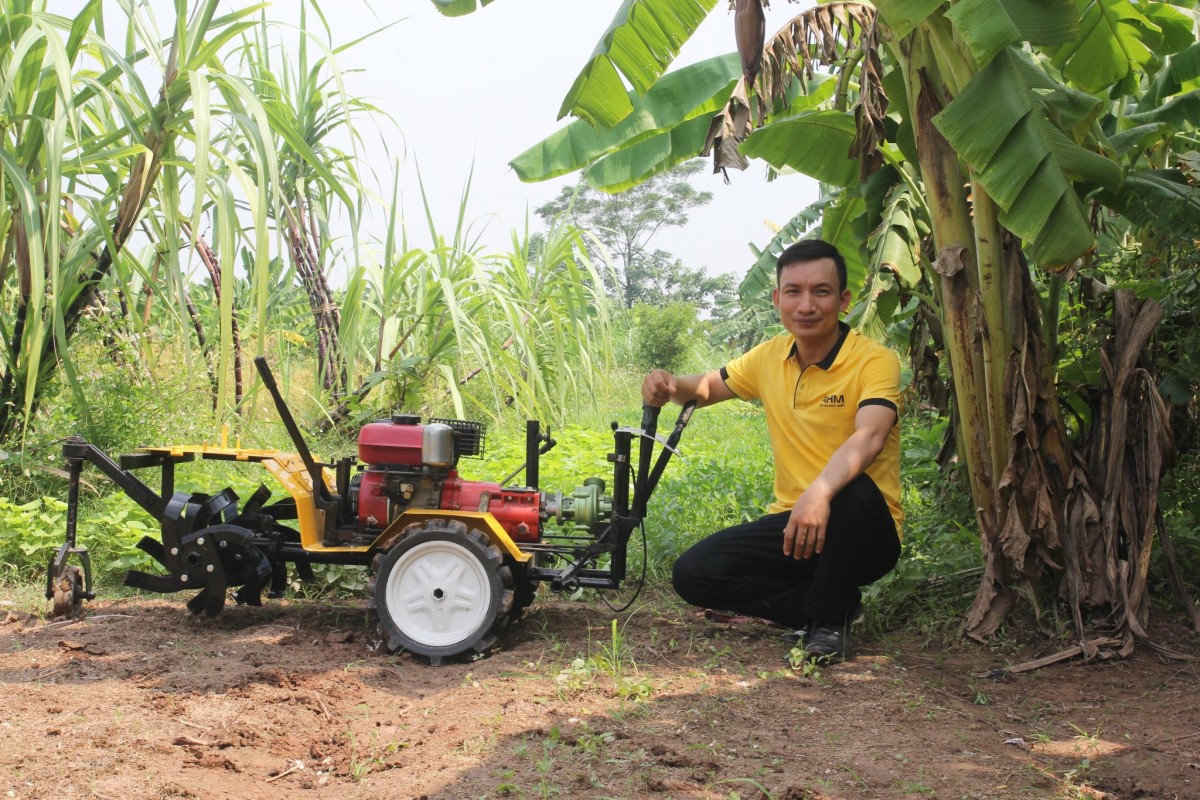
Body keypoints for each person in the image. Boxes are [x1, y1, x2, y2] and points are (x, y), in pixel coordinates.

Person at [641, 239, 902, 662]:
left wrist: (819, 493)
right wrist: (668, 383)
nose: (806, 305)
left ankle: (829, 623)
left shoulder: (875, 361)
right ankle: (820, 608)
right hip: (795, 522)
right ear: (778, 298)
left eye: (821, 291)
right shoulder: (769, 357)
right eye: (794, 292)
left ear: (844, 300)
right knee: (694, 572)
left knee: (852, 490)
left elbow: (870, 436)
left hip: (864, 531)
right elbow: (705, 388)